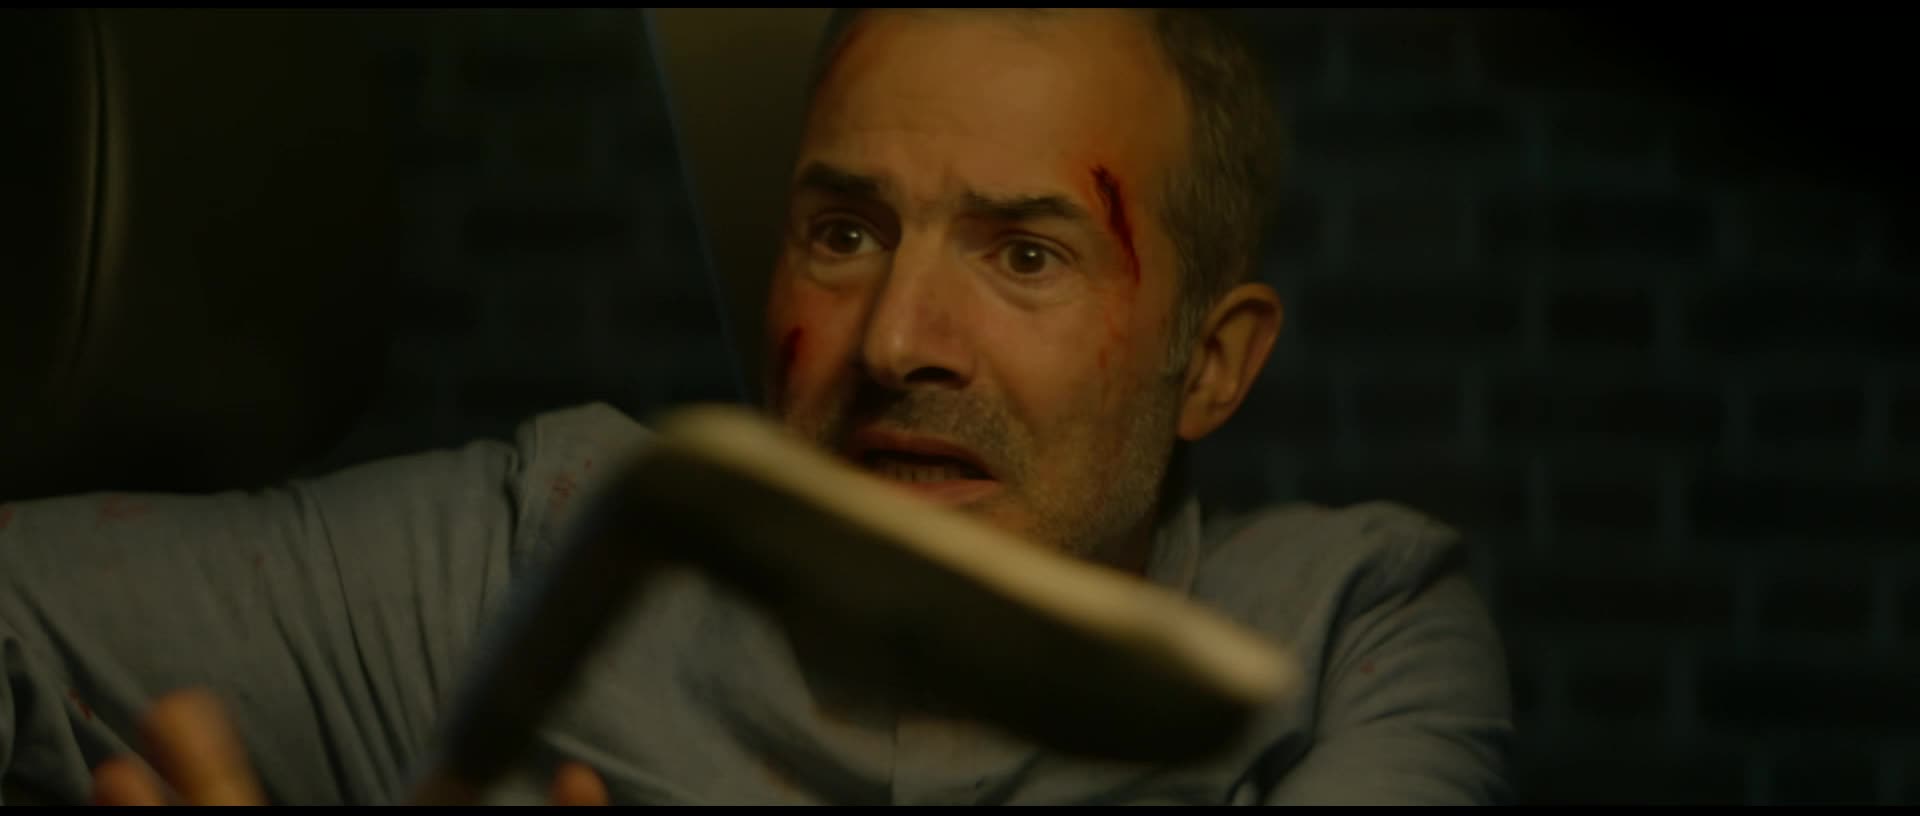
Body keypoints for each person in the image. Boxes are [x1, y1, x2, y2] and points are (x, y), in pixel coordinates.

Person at [0, 7, 1512, 805]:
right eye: (845, 233)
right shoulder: (552, 550)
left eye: (1025, 255)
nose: (899, 340)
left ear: (1217, 365)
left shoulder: (1352, 630)